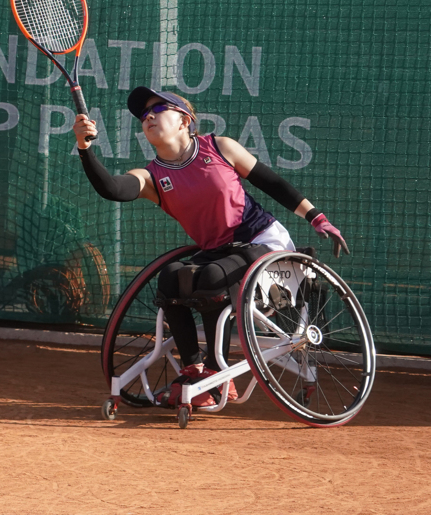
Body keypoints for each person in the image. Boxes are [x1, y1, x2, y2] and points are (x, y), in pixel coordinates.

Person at [73, 87, 348, 395]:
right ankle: (194, 370)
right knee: (172, 277)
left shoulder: (220, 147)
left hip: (264, 244)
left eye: (159, 108)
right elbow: (111, 188)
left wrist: (316, 217)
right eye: (143, 115)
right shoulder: (151, 177)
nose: (148, 116)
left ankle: (220, 373)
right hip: (218, 253)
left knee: (212, 276)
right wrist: (85, 148)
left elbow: (272, 182)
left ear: (184, 120)